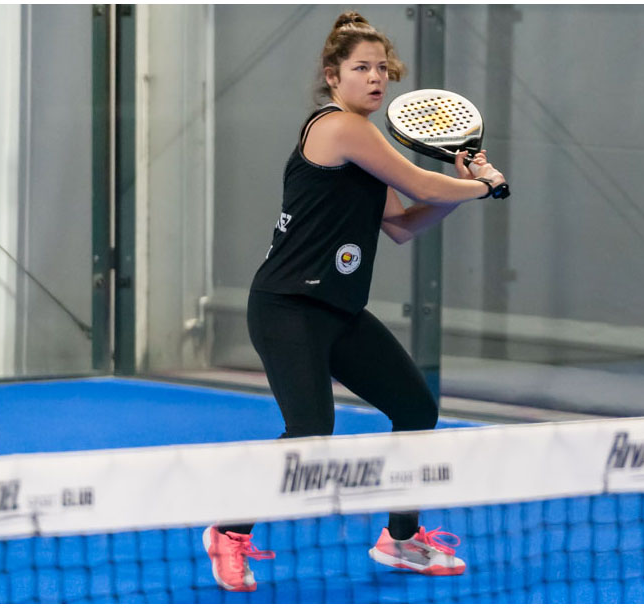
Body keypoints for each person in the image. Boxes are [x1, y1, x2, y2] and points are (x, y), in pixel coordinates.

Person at [202, 11, 507, 592]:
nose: (375, 78)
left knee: (415, 408)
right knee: (310, 430)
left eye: (382, 69)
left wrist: (465, 190)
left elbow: (404, 224)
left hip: (339, 311)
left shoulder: (367, 145)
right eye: (361, 68)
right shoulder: (340, 127)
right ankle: (229, 532)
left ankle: (401, 539)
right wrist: (482, 184)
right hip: (287, 307)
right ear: (332, 76)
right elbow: (423, 183)